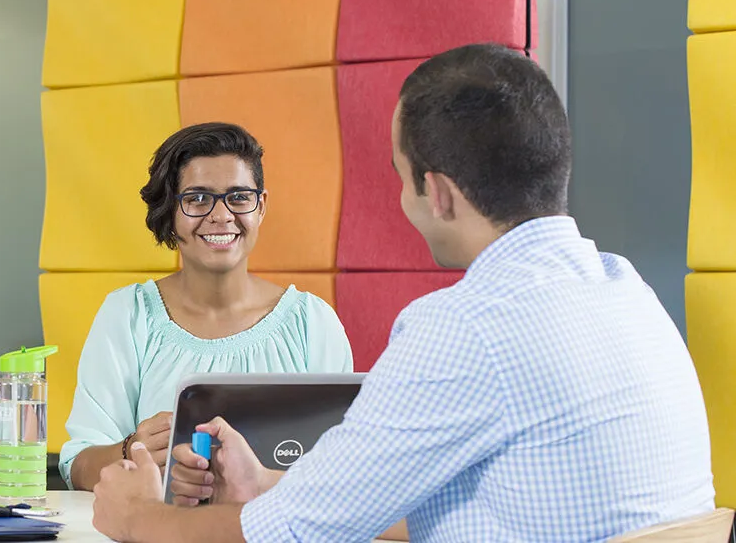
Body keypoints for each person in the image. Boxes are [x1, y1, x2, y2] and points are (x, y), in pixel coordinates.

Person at [89, 44, 715, 541]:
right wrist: (270, 483)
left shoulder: (465, 327)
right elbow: (392, 501)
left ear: (437, 193)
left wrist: (136, 518)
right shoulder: (628, 292)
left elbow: (289, 535)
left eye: (400, 177)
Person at [60, 123, 353, 491]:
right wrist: (128, 451)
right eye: (198, 198)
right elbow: (77, 466)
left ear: (260, 207)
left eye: (239, 197)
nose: (221, 215)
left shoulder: (313, 323)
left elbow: (344, 467)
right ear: (170, 212)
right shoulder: (127, 315)